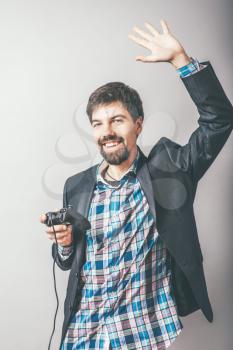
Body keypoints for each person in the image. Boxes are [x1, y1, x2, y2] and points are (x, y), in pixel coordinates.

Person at [40, 19, 233, 350]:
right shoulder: (78, 186)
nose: (107, 131)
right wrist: (65, 243)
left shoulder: (170, 170)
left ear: (138, 125)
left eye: (117, 120)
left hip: (142, 330)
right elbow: (68, 260)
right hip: (85, 331)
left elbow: (219, 121)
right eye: (98, 123)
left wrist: (181, 62)